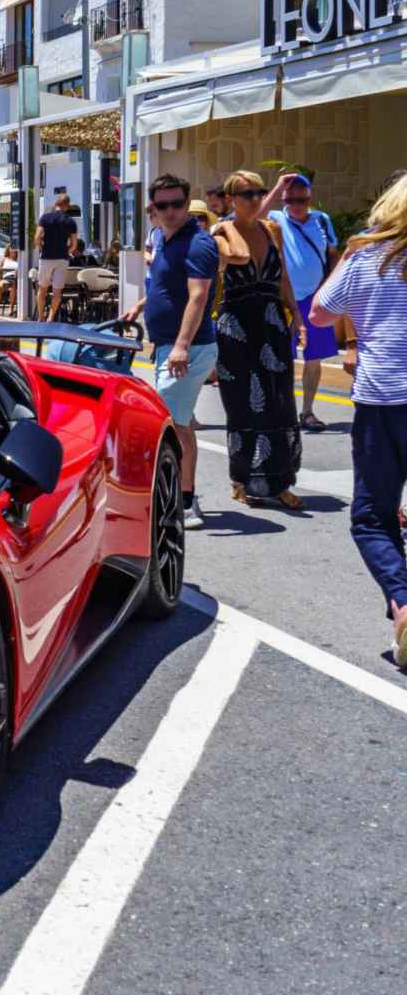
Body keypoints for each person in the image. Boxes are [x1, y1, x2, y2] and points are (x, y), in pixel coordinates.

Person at [310, 171, 407, 667]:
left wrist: (349, 257)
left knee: (373, 516)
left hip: (382, 398)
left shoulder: (365, 258)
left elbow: (320, 313)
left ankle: (403, 603)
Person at [122, 174, 219, 530]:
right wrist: (140, 306)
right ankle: (178, 494)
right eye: (163, 205)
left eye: (178, 204)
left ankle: (187, 502)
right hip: (169, 347)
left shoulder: (198, 243)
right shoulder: (164, 238)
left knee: (174, 427)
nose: (171, 211)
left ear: (187, 203)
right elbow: (165, 285)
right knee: (180, 422)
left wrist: (181, 345)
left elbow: (198, 296)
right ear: (154, 207)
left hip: (188, 350)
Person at [212, 169, 304, 509]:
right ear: (231, 199)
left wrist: (296, 316)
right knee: (243, 404)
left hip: (272, 323)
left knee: (280, 401)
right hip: (237, 327)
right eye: (246, 194)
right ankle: (241, 480)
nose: (255, 200)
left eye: (259, 193)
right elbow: (238, 257)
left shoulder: (272, 230)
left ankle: (280, 481)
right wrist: (229, 224)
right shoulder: (221, 234)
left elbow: (283, 278)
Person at [262, 172, 340, 432]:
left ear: (310, 198)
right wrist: (277, 187)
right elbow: (252, 218)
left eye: (302, 200)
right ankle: (282, 411)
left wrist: (329, 286)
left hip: (315, 299)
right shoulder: (275, 219)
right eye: (290, 199)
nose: (296, 205)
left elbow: (333, 254)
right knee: (281, 357)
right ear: (283, 199)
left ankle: (307, 411)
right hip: (283, 301)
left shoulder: (322, 220)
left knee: (314, 358)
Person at [35, 194, 78, 321]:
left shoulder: (45, 218)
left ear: (56, 204)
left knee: (42, 288)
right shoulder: (70, 221)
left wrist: (42, 247)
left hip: (46, 257)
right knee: (57, 292)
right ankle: (50, 318)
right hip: (62, 259)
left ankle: (40, 316)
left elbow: (37, 237)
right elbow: (74, 244)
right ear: (68, 206)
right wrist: (67, 251)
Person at [0, 245, 19, 315]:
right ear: (8, 249)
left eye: (15, 249)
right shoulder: (4, 259)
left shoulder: (20, 259)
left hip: (17, 279)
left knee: (13, 285)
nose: (14, 250)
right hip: (7, 279)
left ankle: (11, 308)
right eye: (12, 248)